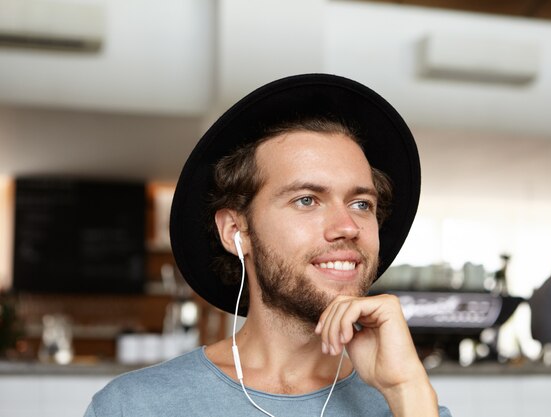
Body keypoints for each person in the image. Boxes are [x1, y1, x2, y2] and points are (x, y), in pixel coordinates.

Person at [85, 74, 452, 417]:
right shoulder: (135, 407)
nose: (347, 227)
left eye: (361, 204)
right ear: (235, 232)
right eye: (307, 200)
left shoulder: (412, 404)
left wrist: (406, 389)